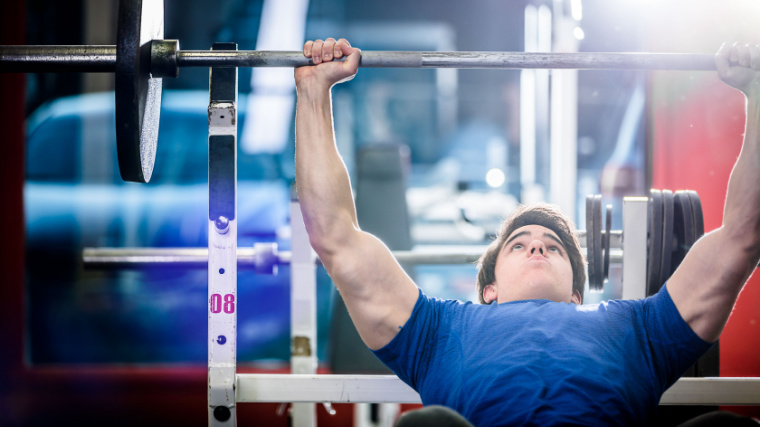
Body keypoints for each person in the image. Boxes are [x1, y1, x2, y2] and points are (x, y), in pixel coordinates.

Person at [293, 38, 760, 426]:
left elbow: (743, 234)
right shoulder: (440, 332)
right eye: (519, 244)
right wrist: (314, 93)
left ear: (578, 294)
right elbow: (336, 238)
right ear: (489, 289)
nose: (537, 243)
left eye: (553, 246)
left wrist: (757, 92)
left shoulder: (635, 328)